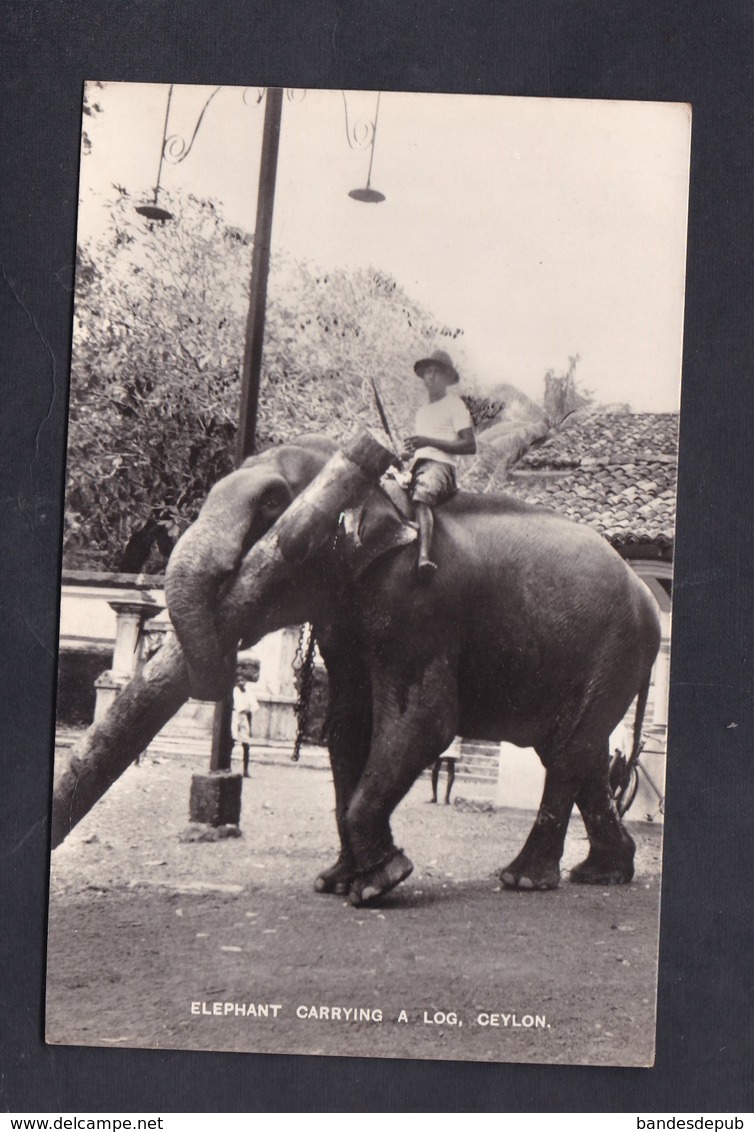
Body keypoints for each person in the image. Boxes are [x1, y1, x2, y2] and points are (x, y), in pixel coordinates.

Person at [402, 349, 476, 581]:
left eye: (435, 372)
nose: (430, 377)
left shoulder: (455, 405)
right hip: (420, 466)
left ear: (446, 378)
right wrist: (409, 454)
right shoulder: (422, 411)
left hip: (442, 467)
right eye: (427, 373)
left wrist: (427, 442)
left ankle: (424, 556)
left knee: (421, 497)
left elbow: (469, 446)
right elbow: (423, 447)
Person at [232, 673, 258, 778]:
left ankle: (245, 770)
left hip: (244, 716)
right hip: (234, 715)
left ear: (246, 681)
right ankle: (226, 766)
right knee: (232, 740)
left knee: (246, 744)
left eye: (242, 680)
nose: (240, 683)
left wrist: (249, 713)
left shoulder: (249, 692)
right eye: (238, 681)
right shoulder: (234, 691)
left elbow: (254, 706)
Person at [430, 737, 461, 804]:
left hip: (450, 737)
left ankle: (445, 797)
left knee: (449, 767)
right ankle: (436, 796)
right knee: (436, 768)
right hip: (444, 738)